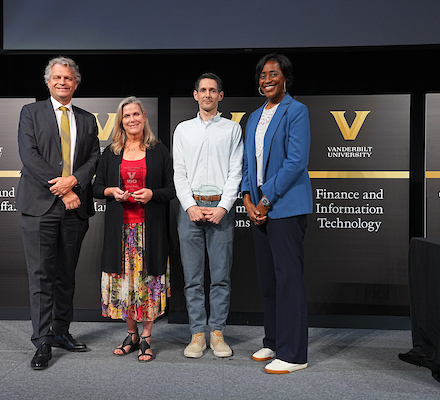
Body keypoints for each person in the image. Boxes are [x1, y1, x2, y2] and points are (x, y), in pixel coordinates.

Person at [17, 56, 100, 370]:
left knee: (66, 277)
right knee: (42, 277)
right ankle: (42, 342)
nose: (63, 82)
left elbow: (94, 157)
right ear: (48, 82)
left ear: (76, 83)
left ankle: (62, 331)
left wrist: (75, 181)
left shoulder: (88, 118)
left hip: (75, 210)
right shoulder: (31, 113)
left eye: (68, 78)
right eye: (57, 78)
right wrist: (64, 190)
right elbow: (30, 156)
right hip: (40, 207)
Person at [242, 53, 313, 374]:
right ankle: (273, 340)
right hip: (258, 208)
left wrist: (266, 201)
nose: (267, 79)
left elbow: (295, 162)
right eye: (262, 75)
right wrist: (247, 199)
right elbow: (247, 163)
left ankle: (294, 354)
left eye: (273, 74)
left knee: (289, 281)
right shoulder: (255, 116)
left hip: (284, 208)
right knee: (269, 280)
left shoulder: (297, 111)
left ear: (285, 78)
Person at [93, 96, 174, 362]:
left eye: (136, 114)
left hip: (149, 231)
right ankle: (131, 334)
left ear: (144, 117)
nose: (132, 120)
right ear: (121, 122)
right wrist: (111, 191)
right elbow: (96, 188)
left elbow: (172, 189)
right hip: (121, 232)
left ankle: (147, 337)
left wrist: (152, 193)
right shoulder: (111, 152)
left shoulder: (159, 150)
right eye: (127, 116)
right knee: (126, 285)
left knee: (147, 284)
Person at [173, 73, 243, 358]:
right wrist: (189, 205)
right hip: (188, 209)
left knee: (220, 278)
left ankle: (217, 333)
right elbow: (179, 172)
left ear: (220, 96)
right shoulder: (183, 129)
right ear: (195, 95)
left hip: (220, 210)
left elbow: (236, 171)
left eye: (213, 90)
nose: (208, 95)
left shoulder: (231, 130)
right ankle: (197, 334)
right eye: (203, 90)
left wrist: (224, 206)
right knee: (192, 278)